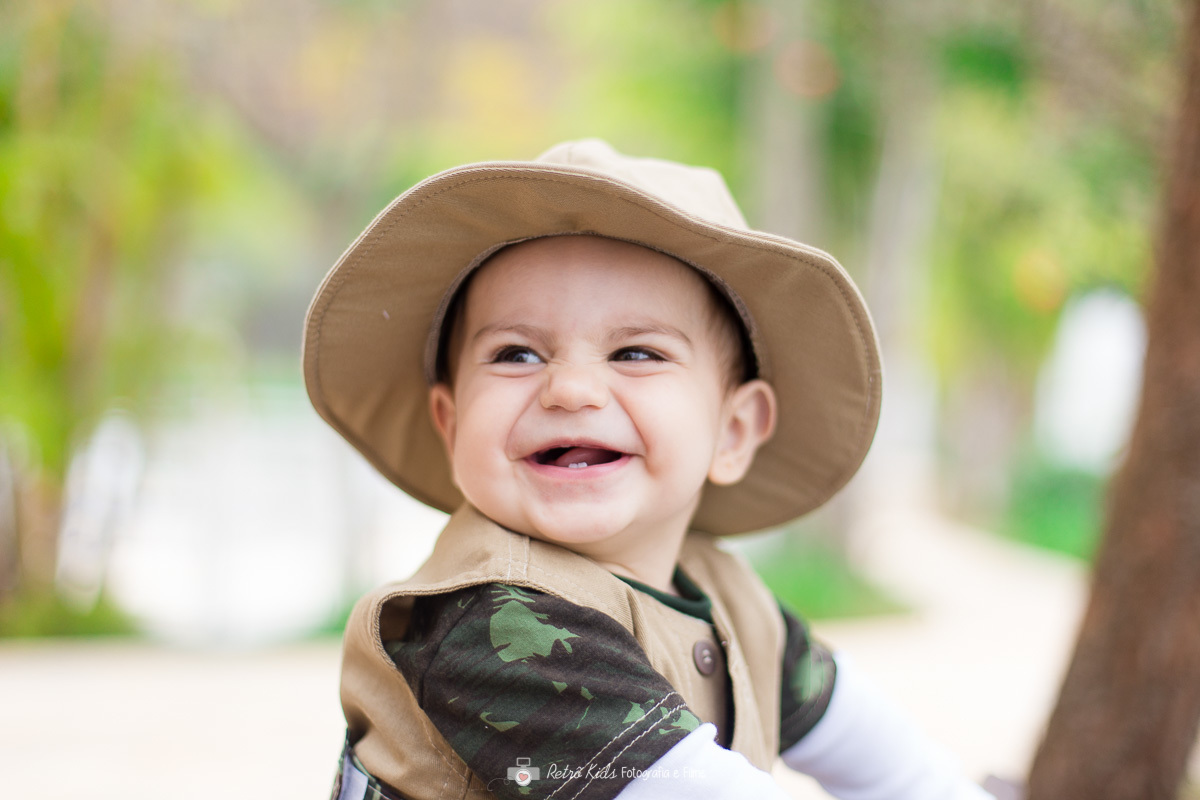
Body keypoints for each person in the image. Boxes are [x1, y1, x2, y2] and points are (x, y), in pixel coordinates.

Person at [303, 139, 995, 800]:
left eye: (636, 353)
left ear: (732, 431)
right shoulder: (486, 625)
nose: (571, 389)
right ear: (451, 424)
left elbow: (893, 768)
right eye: (516, 354)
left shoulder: (734, 605)